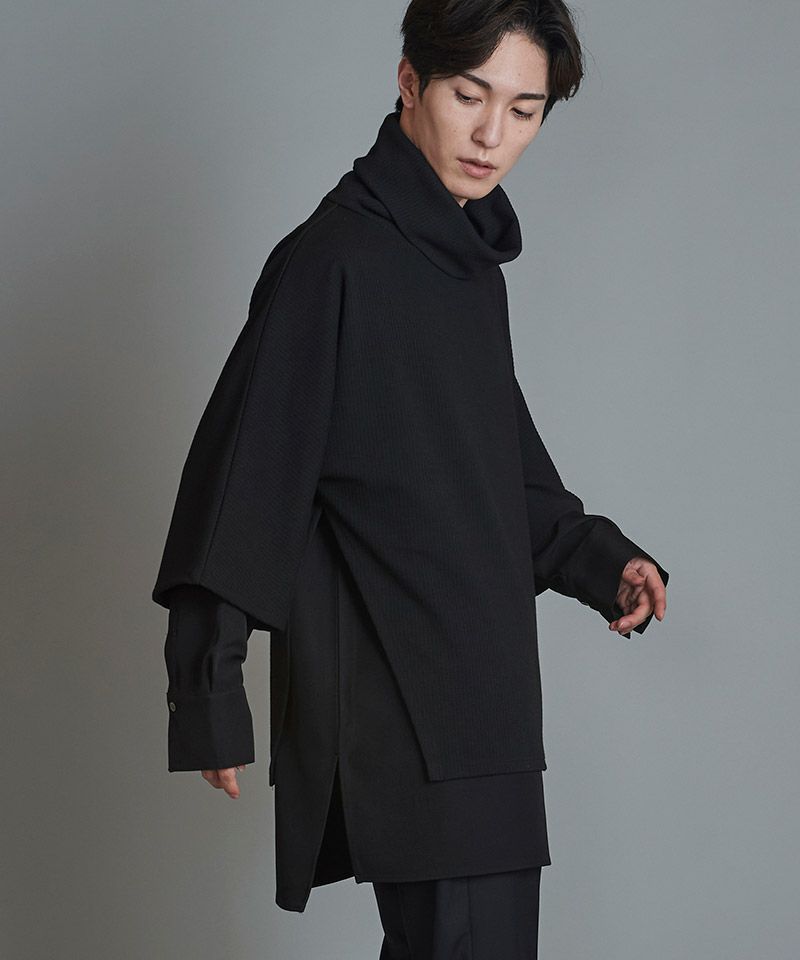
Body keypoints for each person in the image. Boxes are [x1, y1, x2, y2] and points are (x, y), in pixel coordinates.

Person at [153, 1, 669, 955]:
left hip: (488, 709)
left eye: (523, 110)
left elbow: (495, 472)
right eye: (470, 96)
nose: (492, 134)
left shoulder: (469, 269)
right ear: (410, 82)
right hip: (407, 712)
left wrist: (603, 562)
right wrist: (207, 693)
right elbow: (244, 479)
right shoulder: (335, 260)